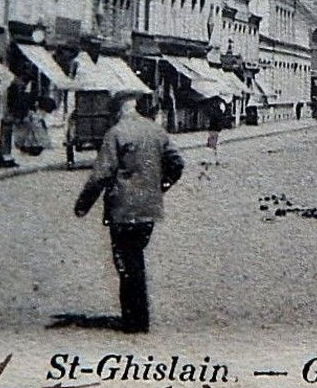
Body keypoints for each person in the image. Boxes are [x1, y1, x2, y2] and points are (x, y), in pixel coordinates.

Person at [74, 91, 185, 333]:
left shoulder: (115, 134)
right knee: (135, 258)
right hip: (149, 209)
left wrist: (83, 204)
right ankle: (137, 317)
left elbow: (101, 174)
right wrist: (161, 185)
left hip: (123, 209)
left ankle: (135, 320)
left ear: (117, 110)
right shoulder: (156, 131)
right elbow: (177, 163)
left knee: (127, 262)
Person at [205, 100, 226, 165]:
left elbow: (212, 122)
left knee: (212, 145)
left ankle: (212, 160)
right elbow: (219, 123)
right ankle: (216, 160)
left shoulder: (213, 112)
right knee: (215, 145)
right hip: (216, 130)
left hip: (213, 130)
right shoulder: (219, 113)